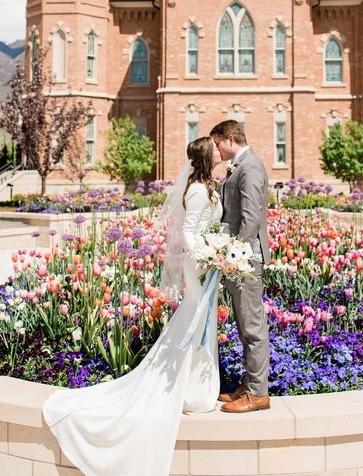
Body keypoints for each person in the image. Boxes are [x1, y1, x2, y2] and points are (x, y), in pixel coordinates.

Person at [42, 137, 223, 476]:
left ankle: (199, 388)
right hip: (198, 266)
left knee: (202, 325)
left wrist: (220, 249)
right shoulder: (198, 191)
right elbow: (187, 233)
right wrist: (210, 254)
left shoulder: (209, 186)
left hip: (208, 263)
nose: (219, 151)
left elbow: (206, 228)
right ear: (204, 156)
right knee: (194, 323)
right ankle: (188, 389)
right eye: (214, 148)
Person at [210, 120, 270, 413]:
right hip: (238, 258)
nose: (216, 149)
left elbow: (250, 219)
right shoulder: (239, 165)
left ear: (230, 139)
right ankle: (249, 384)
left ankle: (258, 394)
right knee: (244, 325)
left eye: (218, 143)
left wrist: (234, 256)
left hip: (246, 259)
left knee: (252, 325)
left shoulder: (251, 167)